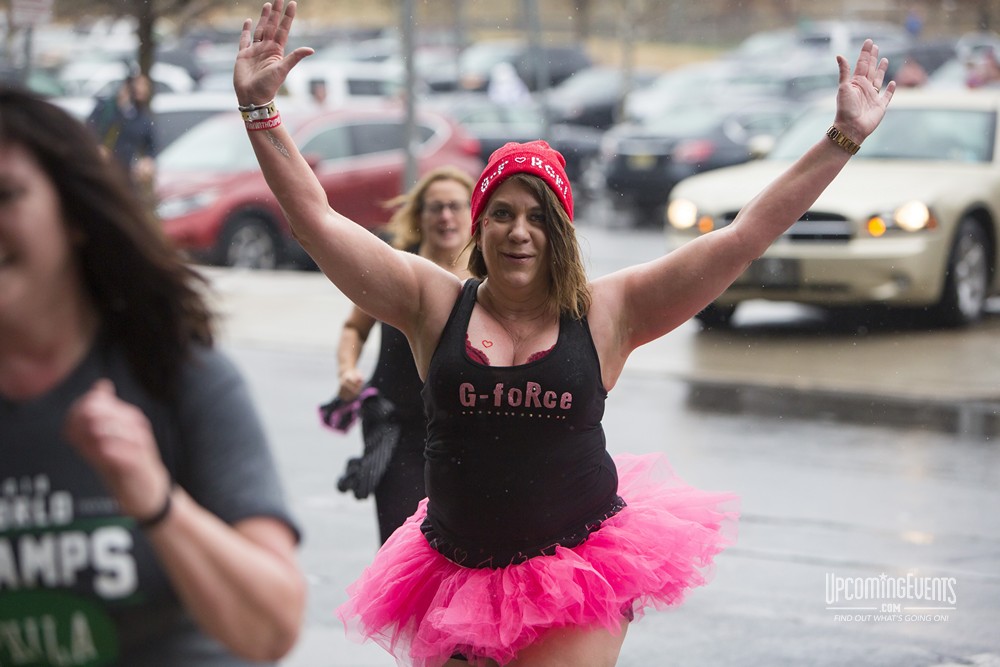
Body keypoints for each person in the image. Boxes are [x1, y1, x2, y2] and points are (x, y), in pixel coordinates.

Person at [234, 2, 894, 664]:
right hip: (454, 568)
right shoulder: (431, 303)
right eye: (502, 214)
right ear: (479, 228)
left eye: (539, 217)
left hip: (576, 567)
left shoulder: (613, 311)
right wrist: (260, 112)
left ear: (562, 234)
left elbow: (743, 235)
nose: (519, 232)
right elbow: (317, 221)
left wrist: (840, 139)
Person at [0, 85, 306, 665]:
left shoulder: (177, 375)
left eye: (6, 195)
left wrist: (154, 499)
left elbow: (272, 629)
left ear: (74, 216)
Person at [321, 166, 475, 544]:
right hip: (400, 431)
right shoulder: (396, 269)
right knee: (403, 542)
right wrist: (346, 370)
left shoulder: (488, 278)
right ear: (420, 215)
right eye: (435, 207)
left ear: (475, 214)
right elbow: (355, 328)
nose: (446, 216)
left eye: (455, 206)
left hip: (468, 437)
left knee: (461, 548)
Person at [86, 70, 157, 194]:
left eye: (146, 85)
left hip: (127, 175)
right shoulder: (105, 108)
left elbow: (151, 144)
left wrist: (147, 160)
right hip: (102, 171)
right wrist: (97, 148)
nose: (143, 89)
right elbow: (88, 131)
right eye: (139, 84)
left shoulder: (141, 115)